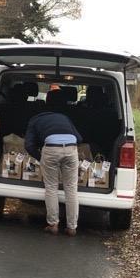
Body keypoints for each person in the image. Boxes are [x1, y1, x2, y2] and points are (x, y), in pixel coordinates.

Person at [25, 90, 83, 235]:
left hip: (51, 149)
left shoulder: (34, 120)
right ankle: (72, 227)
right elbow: (80, 139)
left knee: (51, 187)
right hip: (71, 149)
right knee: (71, 188)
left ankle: (53, 224)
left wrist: (40, 158)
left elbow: (29, 145)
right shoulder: (63, 117)